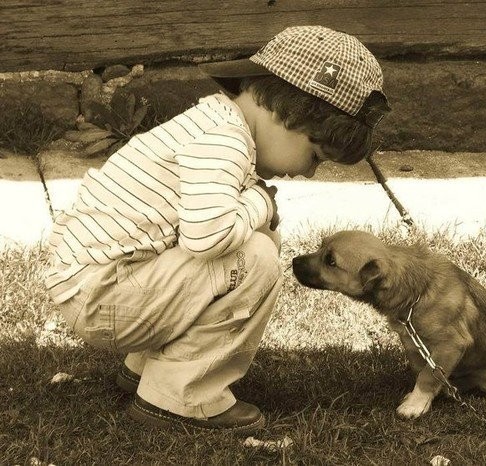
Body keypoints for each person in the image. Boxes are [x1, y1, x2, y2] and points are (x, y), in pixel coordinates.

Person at [45, 25, 390, 435]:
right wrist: (262, 202)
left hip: (100, 286)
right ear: (292, 114)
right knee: (257, 258)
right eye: (315, 155)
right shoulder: (223, 141)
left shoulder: (216, 122)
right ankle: (179, 396)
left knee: (255, 241)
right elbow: (207, 237)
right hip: (102, 295)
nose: (308, 171)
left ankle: (148, 372)